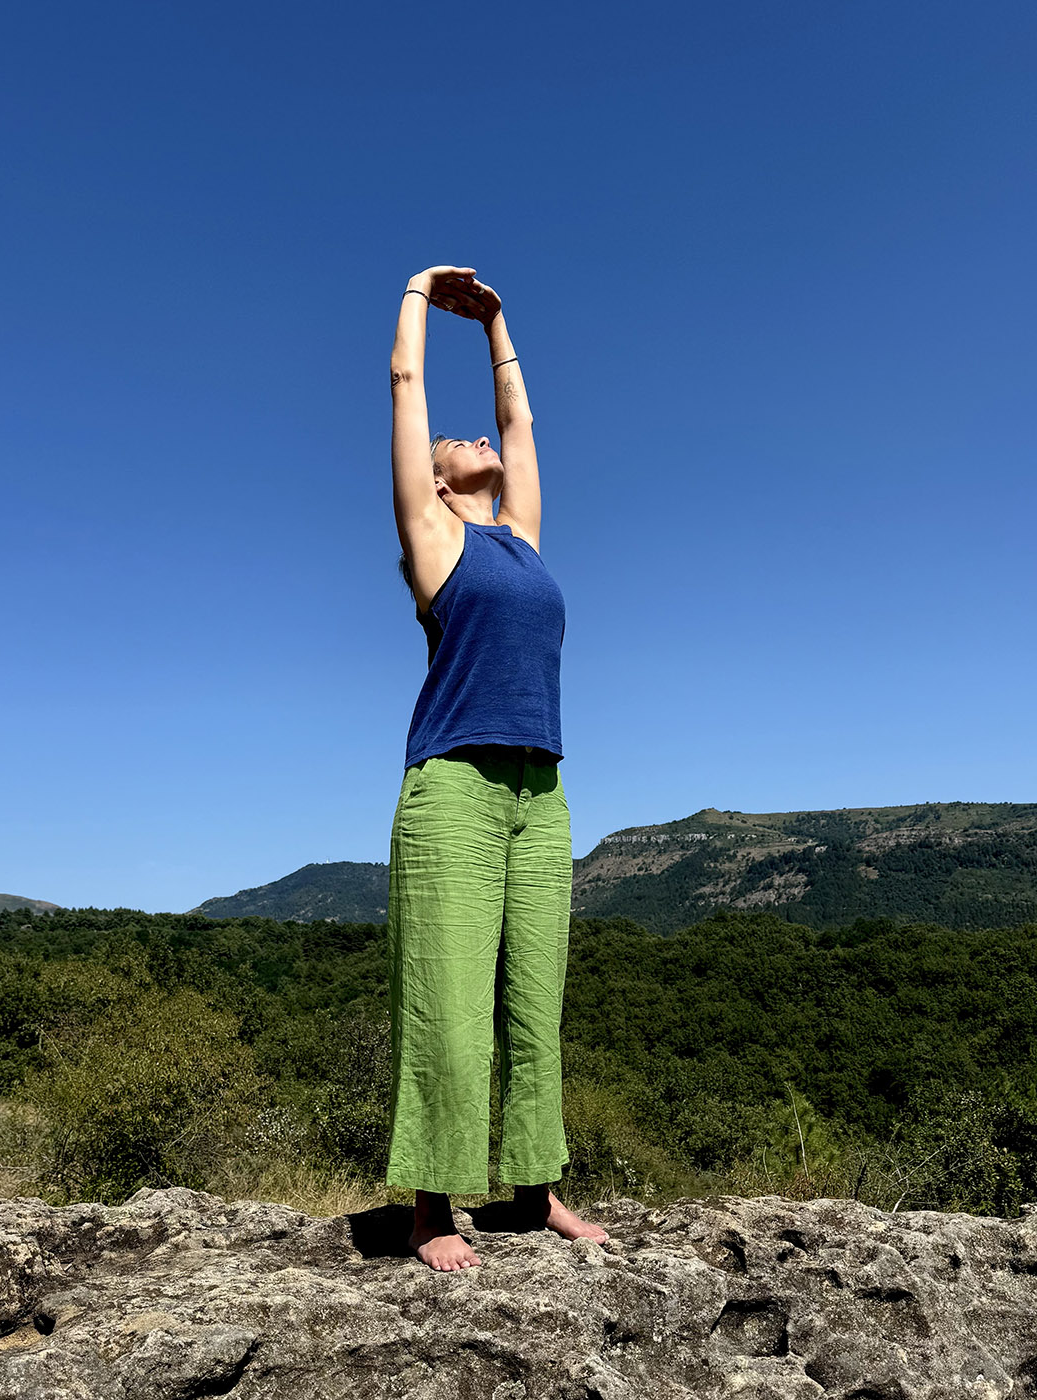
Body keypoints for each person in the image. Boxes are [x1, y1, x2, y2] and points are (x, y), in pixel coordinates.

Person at [387, 264, 610, 1272]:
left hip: (540, 790)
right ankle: (432, 1206)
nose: (474, 438)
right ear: (437, 482)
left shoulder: (521, 540)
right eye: (455, 443)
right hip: (455, 787)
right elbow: (405, 388)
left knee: (533, 1003)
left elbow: (519, 424)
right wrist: (418, 296)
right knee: (449, 1002)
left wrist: (496, 325)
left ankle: (535, 1189)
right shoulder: (434, 539)